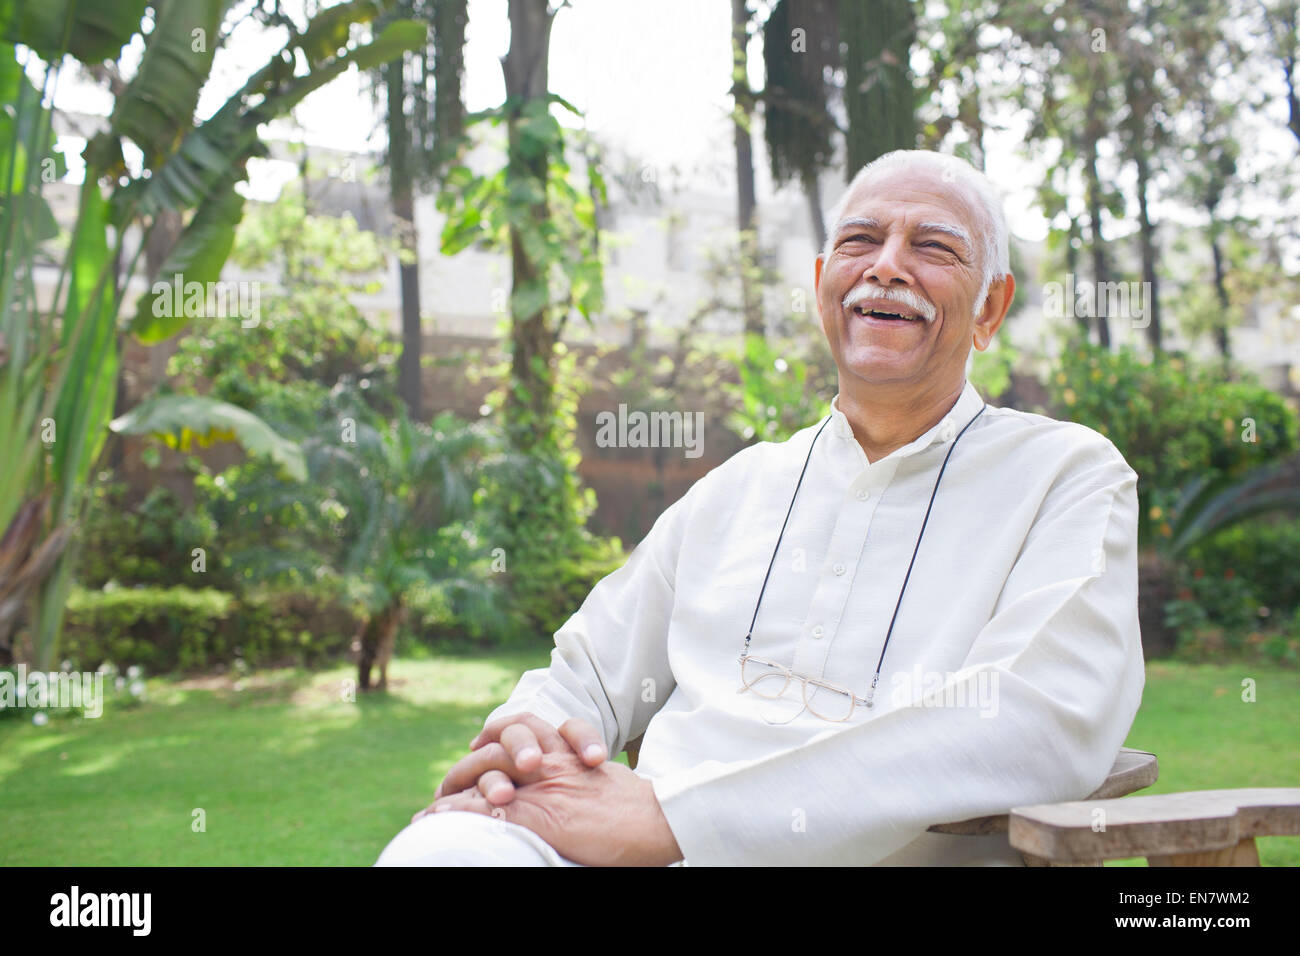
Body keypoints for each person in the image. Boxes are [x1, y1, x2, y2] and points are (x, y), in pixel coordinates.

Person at [375, 148, 1145, 867]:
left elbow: (1040, 721)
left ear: (990, 308)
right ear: (822, 286)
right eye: (860, 240)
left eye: (933, 248)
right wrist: (524, 753)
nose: (885, 267)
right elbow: (586, 671)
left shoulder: (1065, 477)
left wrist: (669, 819)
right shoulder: (737, 490)